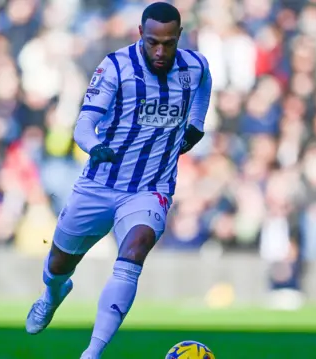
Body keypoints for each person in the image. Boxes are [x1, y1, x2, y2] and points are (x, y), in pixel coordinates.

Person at [24, 2, 212, 358]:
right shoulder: (115, 67)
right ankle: (52, 294)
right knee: (59, 264)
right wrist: (94, 147)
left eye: (168, 43)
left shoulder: (195, 65)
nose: (160, 51)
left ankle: (92, 352)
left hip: (150, 188)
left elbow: (205, 84)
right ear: (140, 34)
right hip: (100, 183)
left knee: (134, 250)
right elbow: (83, 124)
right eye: (153, 41)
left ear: (179, 38)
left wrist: (197, 124)